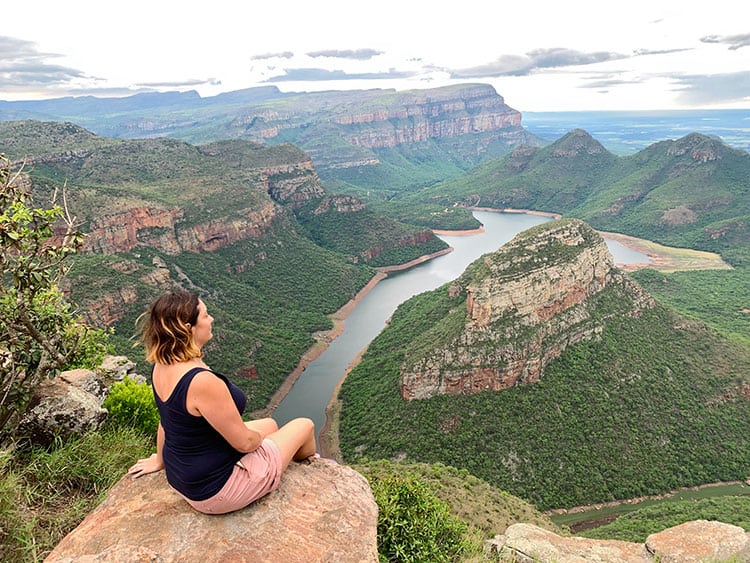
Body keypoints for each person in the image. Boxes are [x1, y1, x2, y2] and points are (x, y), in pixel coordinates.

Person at [128, 291, 317, 514]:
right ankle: (313, 468)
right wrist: (258, 444)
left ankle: (279, 456)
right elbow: (245, 444)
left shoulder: (162, 365)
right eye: (206, 316)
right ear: (189, 329)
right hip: (216, 490)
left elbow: (167, 421)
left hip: (182, 475)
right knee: (304, 425)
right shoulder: (201, 382)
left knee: (270, 425)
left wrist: (160, 461)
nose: (212, 320)